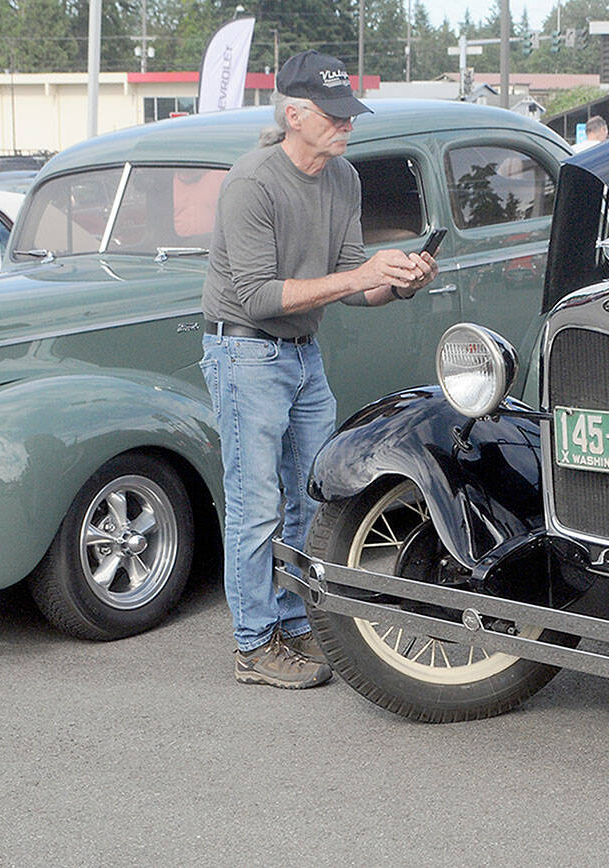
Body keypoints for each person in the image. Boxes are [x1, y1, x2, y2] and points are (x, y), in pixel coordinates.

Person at [200, 49, 438, 689]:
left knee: (312, 495)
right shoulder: (253, 182)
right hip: (246, 350)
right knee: (255, 504)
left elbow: (355, 287)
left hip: (303, 354)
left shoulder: (345, 179)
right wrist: (358, 276)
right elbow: (254, 296)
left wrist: (395, 281)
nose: (346, 126)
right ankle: (253, 645)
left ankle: (297, 624)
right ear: (294, 114)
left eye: (349, 114)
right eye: (333, 116)